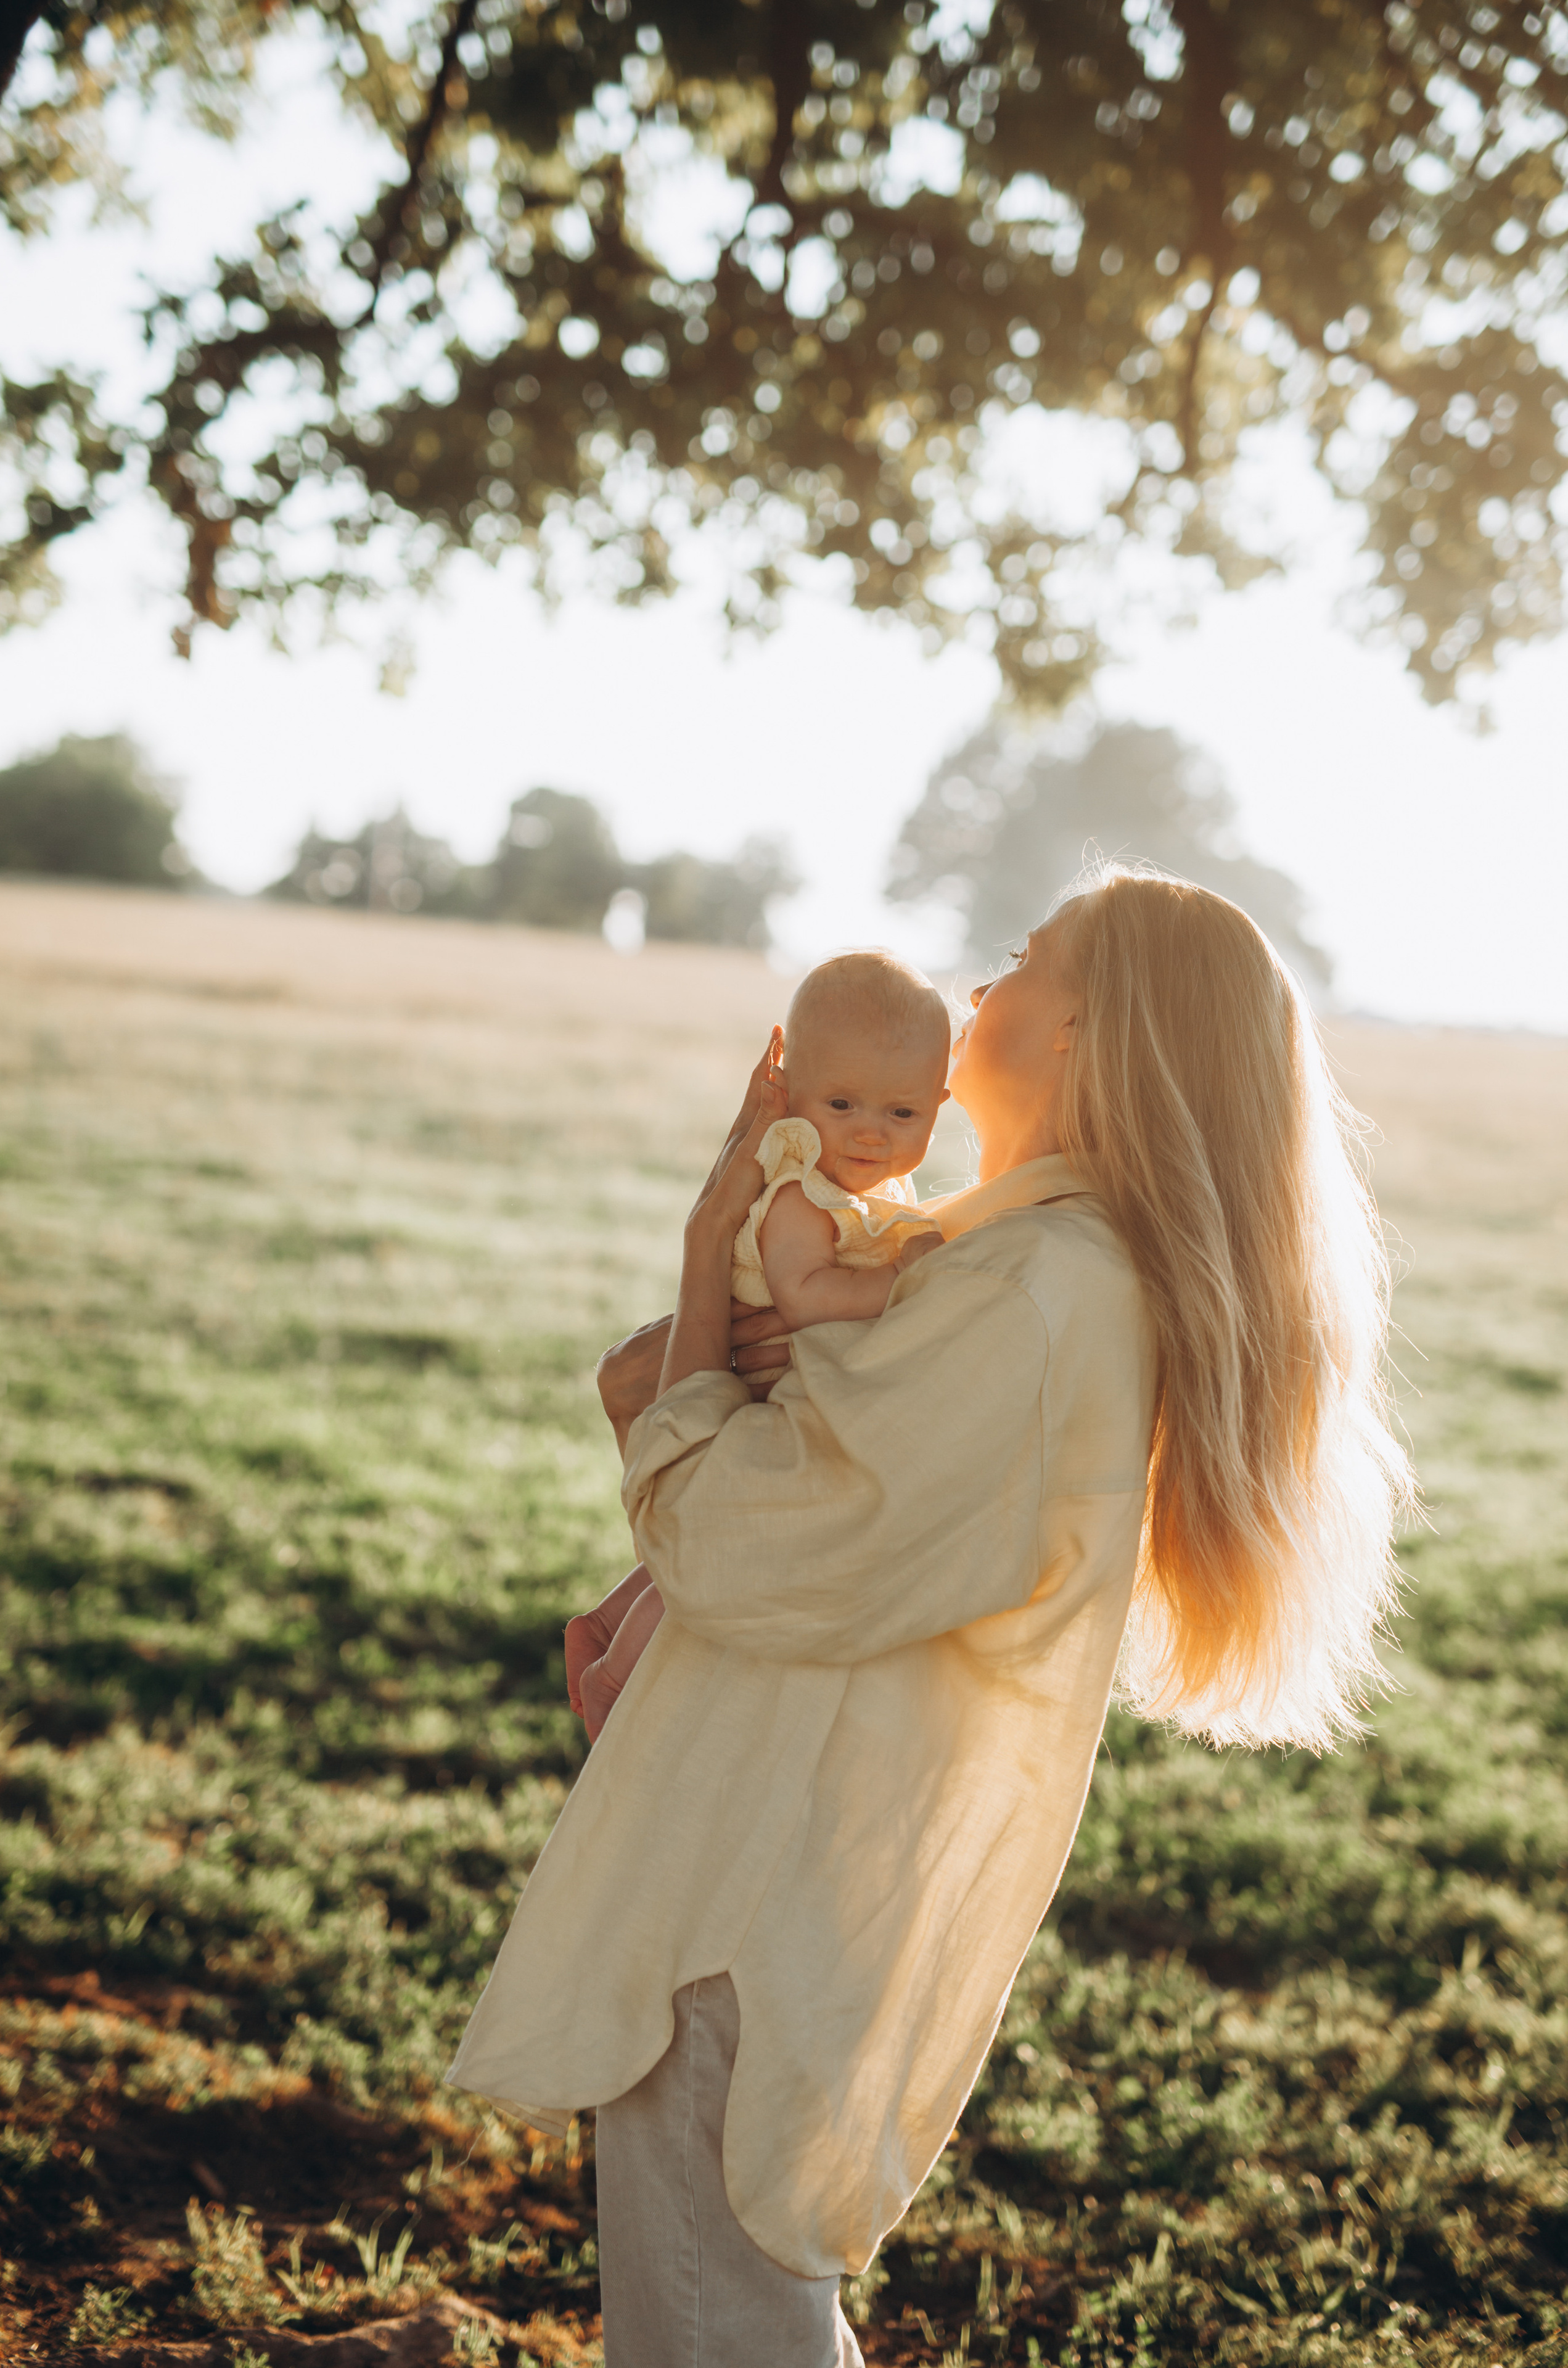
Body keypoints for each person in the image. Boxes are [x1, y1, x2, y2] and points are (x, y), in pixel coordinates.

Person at [448, 870, 1413, 2368]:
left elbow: (752, 1548)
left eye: (1021, 963)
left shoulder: (1038, 1288)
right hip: (784, 1842)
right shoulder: (984, 1259)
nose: (976, 996)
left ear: (1089, 1032)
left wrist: (682, 1332)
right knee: (739, 2292)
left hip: (762, 1873)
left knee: (716, 2313)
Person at [564, 948, 950, 1741]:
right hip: (751, 1385)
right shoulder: (803, 1198)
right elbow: (807, 1298)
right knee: (707, 1556)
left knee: (724, 1537)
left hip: (781, 1392)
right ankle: (616, 1672)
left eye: (902, 1115)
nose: (871, 1134)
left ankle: (616, 1629)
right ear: (789, 1091)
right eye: (841, 1104)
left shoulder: (870, 1190)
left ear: (940, 1104)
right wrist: (904, 1286)